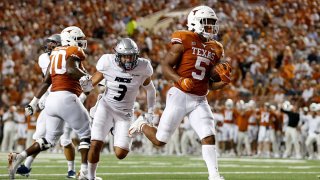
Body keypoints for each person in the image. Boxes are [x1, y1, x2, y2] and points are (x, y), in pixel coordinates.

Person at [129, 5, 230, 180]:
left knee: (208, 135)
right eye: (207, 23)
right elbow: (165, 66)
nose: (211, 27)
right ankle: (142, 125)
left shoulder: (216, 48)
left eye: (213, 23)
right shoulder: (184, 37)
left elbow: (210, 85)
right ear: (195, 23)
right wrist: (180, 79)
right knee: (160, 140)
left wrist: (223, 81)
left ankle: (214, 176)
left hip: (200, 99)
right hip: (180, 94)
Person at [8, 26, 92, 180]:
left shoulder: (54, 54)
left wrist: (33, 102)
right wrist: (87, 78)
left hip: (51, 100)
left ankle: (20, 157)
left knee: (48, 140)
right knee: (86, 134)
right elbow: (71, 69)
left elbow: (46, 81)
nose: (81, 43)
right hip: (67, 97)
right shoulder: (73, 51)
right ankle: (85, 173)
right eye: (78, 39)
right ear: (70, 39)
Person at [83, 37, 156, 180]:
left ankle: (121, 127)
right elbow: (90, 84)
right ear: (117, 56)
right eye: (125, 56)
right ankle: (90, 177)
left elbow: (151, 90)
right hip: (106, 107)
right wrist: (84, 84)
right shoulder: (107, 62)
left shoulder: (143, 67)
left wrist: (151, 112)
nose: (128, 60)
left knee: (120, 153)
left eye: (131, 56)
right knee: (96, 143)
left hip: (125, 113)